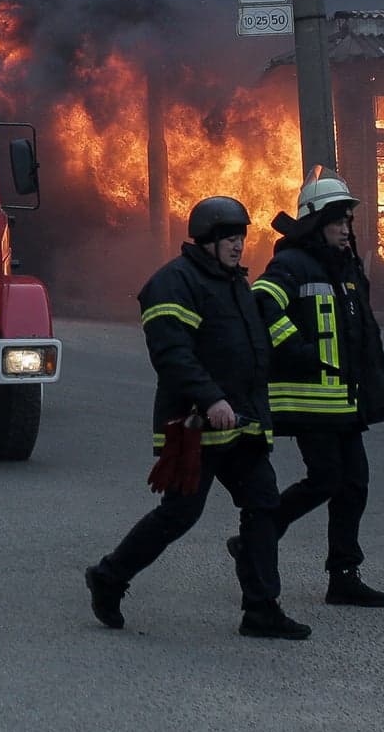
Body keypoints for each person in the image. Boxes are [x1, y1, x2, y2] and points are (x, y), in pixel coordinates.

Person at [83, 195, 311, 641]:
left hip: (240, 424)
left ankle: (262, 609)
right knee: (180, 514)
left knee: (263, 505)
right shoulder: (172, 284)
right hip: (195, 426)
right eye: (228, 237)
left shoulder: (234, 284)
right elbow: (172, 354)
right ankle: (109, 577)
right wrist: (210, 400)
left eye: (241, 237)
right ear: (205, 240)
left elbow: (250, 353)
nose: (237, 245)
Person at [257, 173, 384, 607]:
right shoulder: (291, 264)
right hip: (307, 399)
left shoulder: (347, 269)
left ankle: (343, 576)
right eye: (337, 220)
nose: (345, 228)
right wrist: (295, 348)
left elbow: (359, 334)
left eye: (347, 221)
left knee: (354, 484)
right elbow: (260, 304)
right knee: (326, 480)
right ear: (314, 221)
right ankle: (257, 536)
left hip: (343, 400)